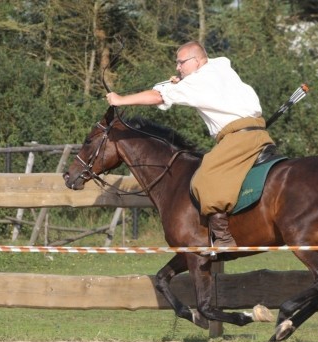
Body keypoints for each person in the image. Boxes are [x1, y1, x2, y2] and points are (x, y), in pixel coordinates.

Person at [105, 41, 273, 247]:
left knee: (203, 179)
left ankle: (223, 237)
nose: (177, 67)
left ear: (196, 61)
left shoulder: (197, 82)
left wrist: (120, 99)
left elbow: (158, 96)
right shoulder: (219, 65)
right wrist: (177, 83)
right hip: (259, 133)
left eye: (180, 62)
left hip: (238, 138)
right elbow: (176, 88)